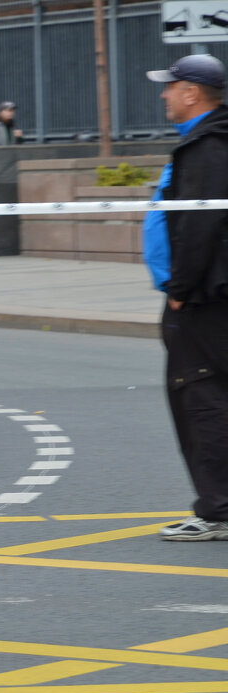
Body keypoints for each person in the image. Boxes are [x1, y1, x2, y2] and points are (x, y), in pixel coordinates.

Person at [142, 55, 228, 541]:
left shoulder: (206, 146)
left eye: (170, 87)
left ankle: (216, 509)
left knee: (200, 399)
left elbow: (200, 224)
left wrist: (180, 290)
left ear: (192, 92)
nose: (164, 95)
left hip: (201, 300)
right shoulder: (211, 141)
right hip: (207, 294)